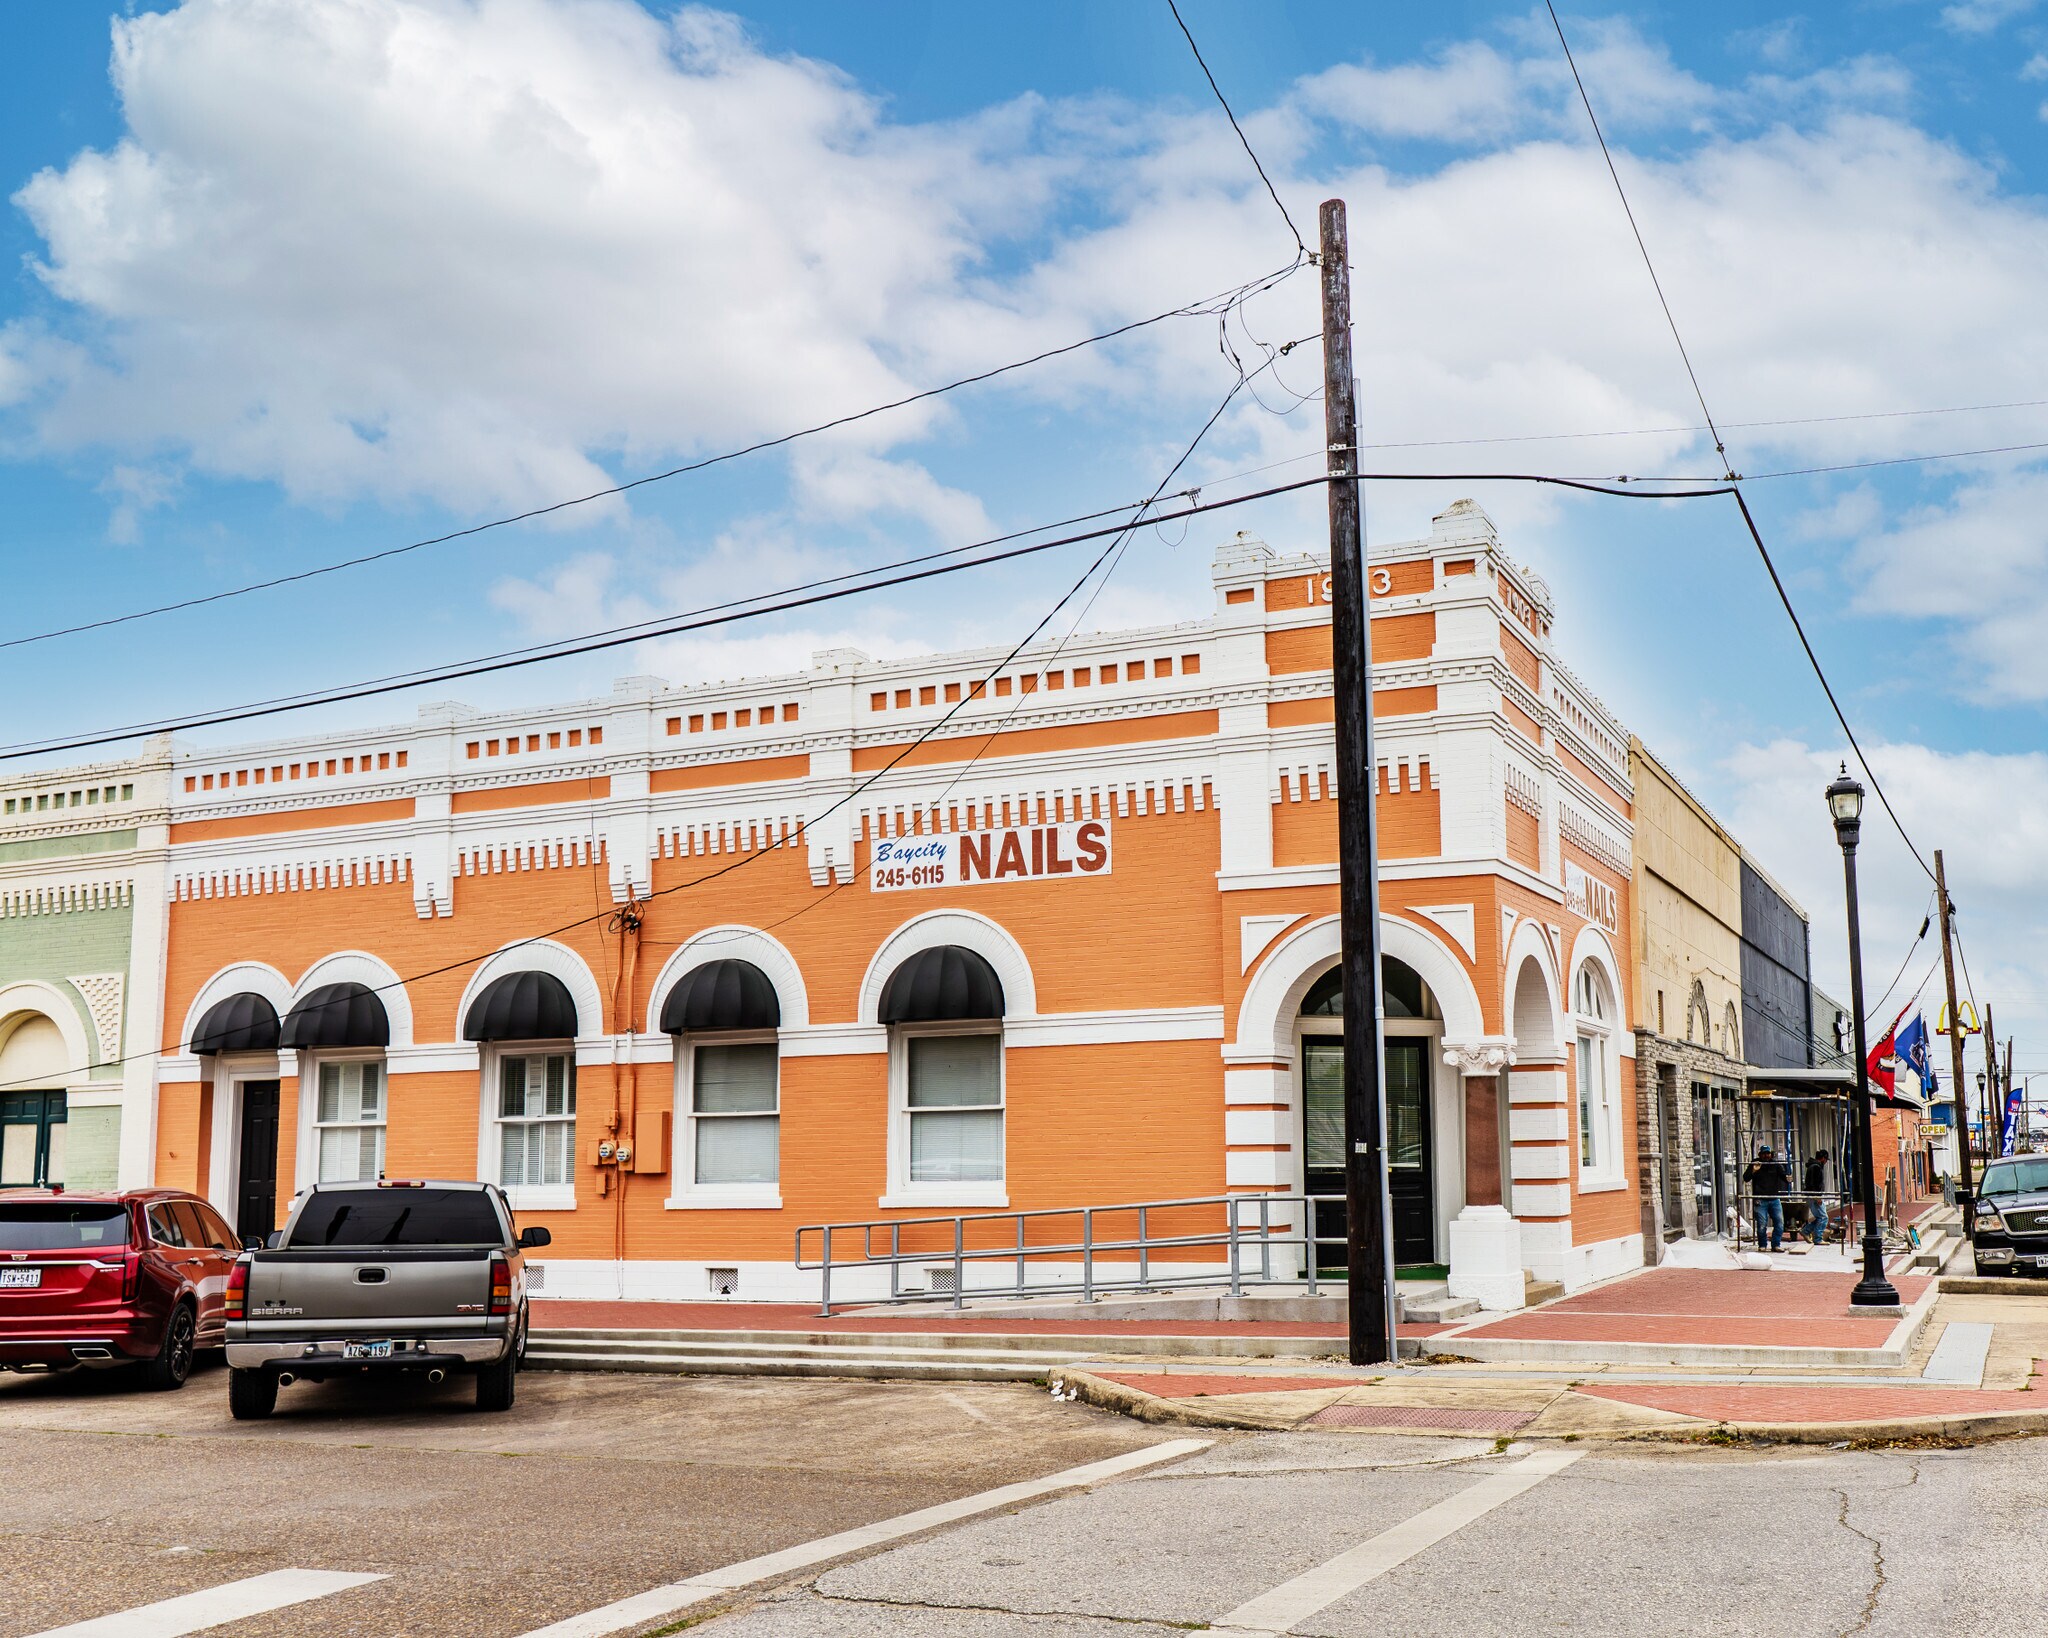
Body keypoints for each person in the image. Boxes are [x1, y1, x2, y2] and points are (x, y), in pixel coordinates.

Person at [1742, 1145, 1789, 1252]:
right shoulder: (1756, 1163)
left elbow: (1784, 1177)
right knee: (1762, 1224)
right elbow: (1746, 1178)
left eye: (1768, 1153)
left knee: (1779, 1222)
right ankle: (1762, 1245)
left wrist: (1788, 1177)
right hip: (1760, 1199)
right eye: (1764, 1154)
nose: (1766, 1156)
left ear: (1770, 1154)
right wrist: (1753, 1171)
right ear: (1760, 1155)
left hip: (1774, 1198)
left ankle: (1776, 1244)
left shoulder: (1775, 1164)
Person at [1803, 1150, 1831, 1245]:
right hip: (1814, 1196)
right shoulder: (1816, 1167)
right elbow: (1813, 1183)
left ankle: (1806, 1231)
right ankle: (1817, 1238)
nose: (1826, 1162)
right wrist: (1817, 1196)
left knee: (1820, 1217)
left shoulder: (1814, 1166)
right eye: (1826, 1159)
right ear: (1823, 1158)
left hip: (1812, 1196)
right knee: (1823, 1217)